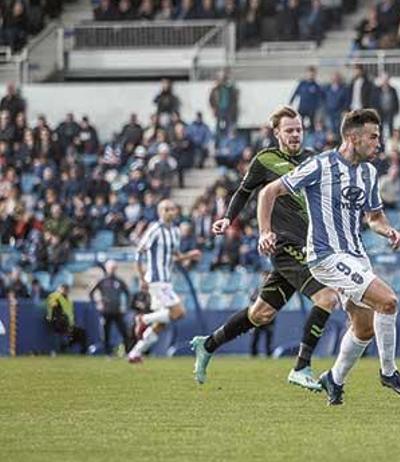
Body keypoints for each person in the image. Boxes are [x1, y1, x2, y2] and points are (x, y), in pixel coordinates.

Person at [257, 108, 400, 405]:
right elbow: (269, 192)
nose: (379, 143)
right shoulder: (321, 165)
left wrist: (387, 230)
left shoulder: (369, 172)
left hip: (356, 255)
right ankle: (389, 372)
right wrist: (265, 231)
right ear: (353, 137)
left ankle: (334, 379)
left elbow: (374, 217)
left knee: (364, 327)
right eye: (373, 137)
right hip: (326, 256)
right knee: (389, 301)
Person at [190, 106, 339, 390]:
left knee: (261, 314)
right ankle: (302, 367)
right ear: (277, 133)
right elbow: (244, 192)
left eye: (299, 130)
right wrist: (227, 219)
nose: (296, 135)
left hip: (309, 246)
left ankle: (208, 344)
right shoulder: (265, 160)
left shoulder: (312, 159)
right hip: (284, 244)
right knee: (327, 297)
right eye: (290, 130)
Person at [127, 200, 201, 363]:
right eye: (166, 209)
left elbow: (176, 256)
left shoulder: (175, 231)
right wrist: (142, 277)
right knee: (179, 312)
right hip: (156, 280)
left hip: (166, 280)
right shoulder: (155, 229)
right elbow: (139, 251)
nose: (170, 212)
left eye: (172, 209)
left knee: (161, 324)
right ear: (160, 212)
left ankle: (135, 352)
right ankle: (143, 319)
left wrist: (190, 255)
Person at [88, 260, 133, 355]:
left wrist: (126, 306)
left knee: (125, 332)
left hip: (117, 311)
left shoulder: (119, 281)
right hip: (105, 311)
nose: (113, 270)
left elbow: (128, 293)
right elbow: (91, 292)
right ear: (107, 268)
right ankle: (108, 354)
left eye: (114, 268)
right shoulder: (102, 280)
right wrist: (97, 303)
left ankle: (127, 352)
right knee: (105, 333)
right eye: (111, 268)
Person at [46, 284, 88, 354]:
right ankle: (63, 347)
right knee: (65, 329)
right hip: (58, 324)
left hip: (68, 325)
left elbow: (70, 314)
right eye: (64, 289)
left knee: (81, 332)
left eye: (67, 289)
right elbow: (53, 310)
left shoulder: (68, 300)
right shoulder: (55, 297)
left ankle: (80, 351)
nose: (66, 291)